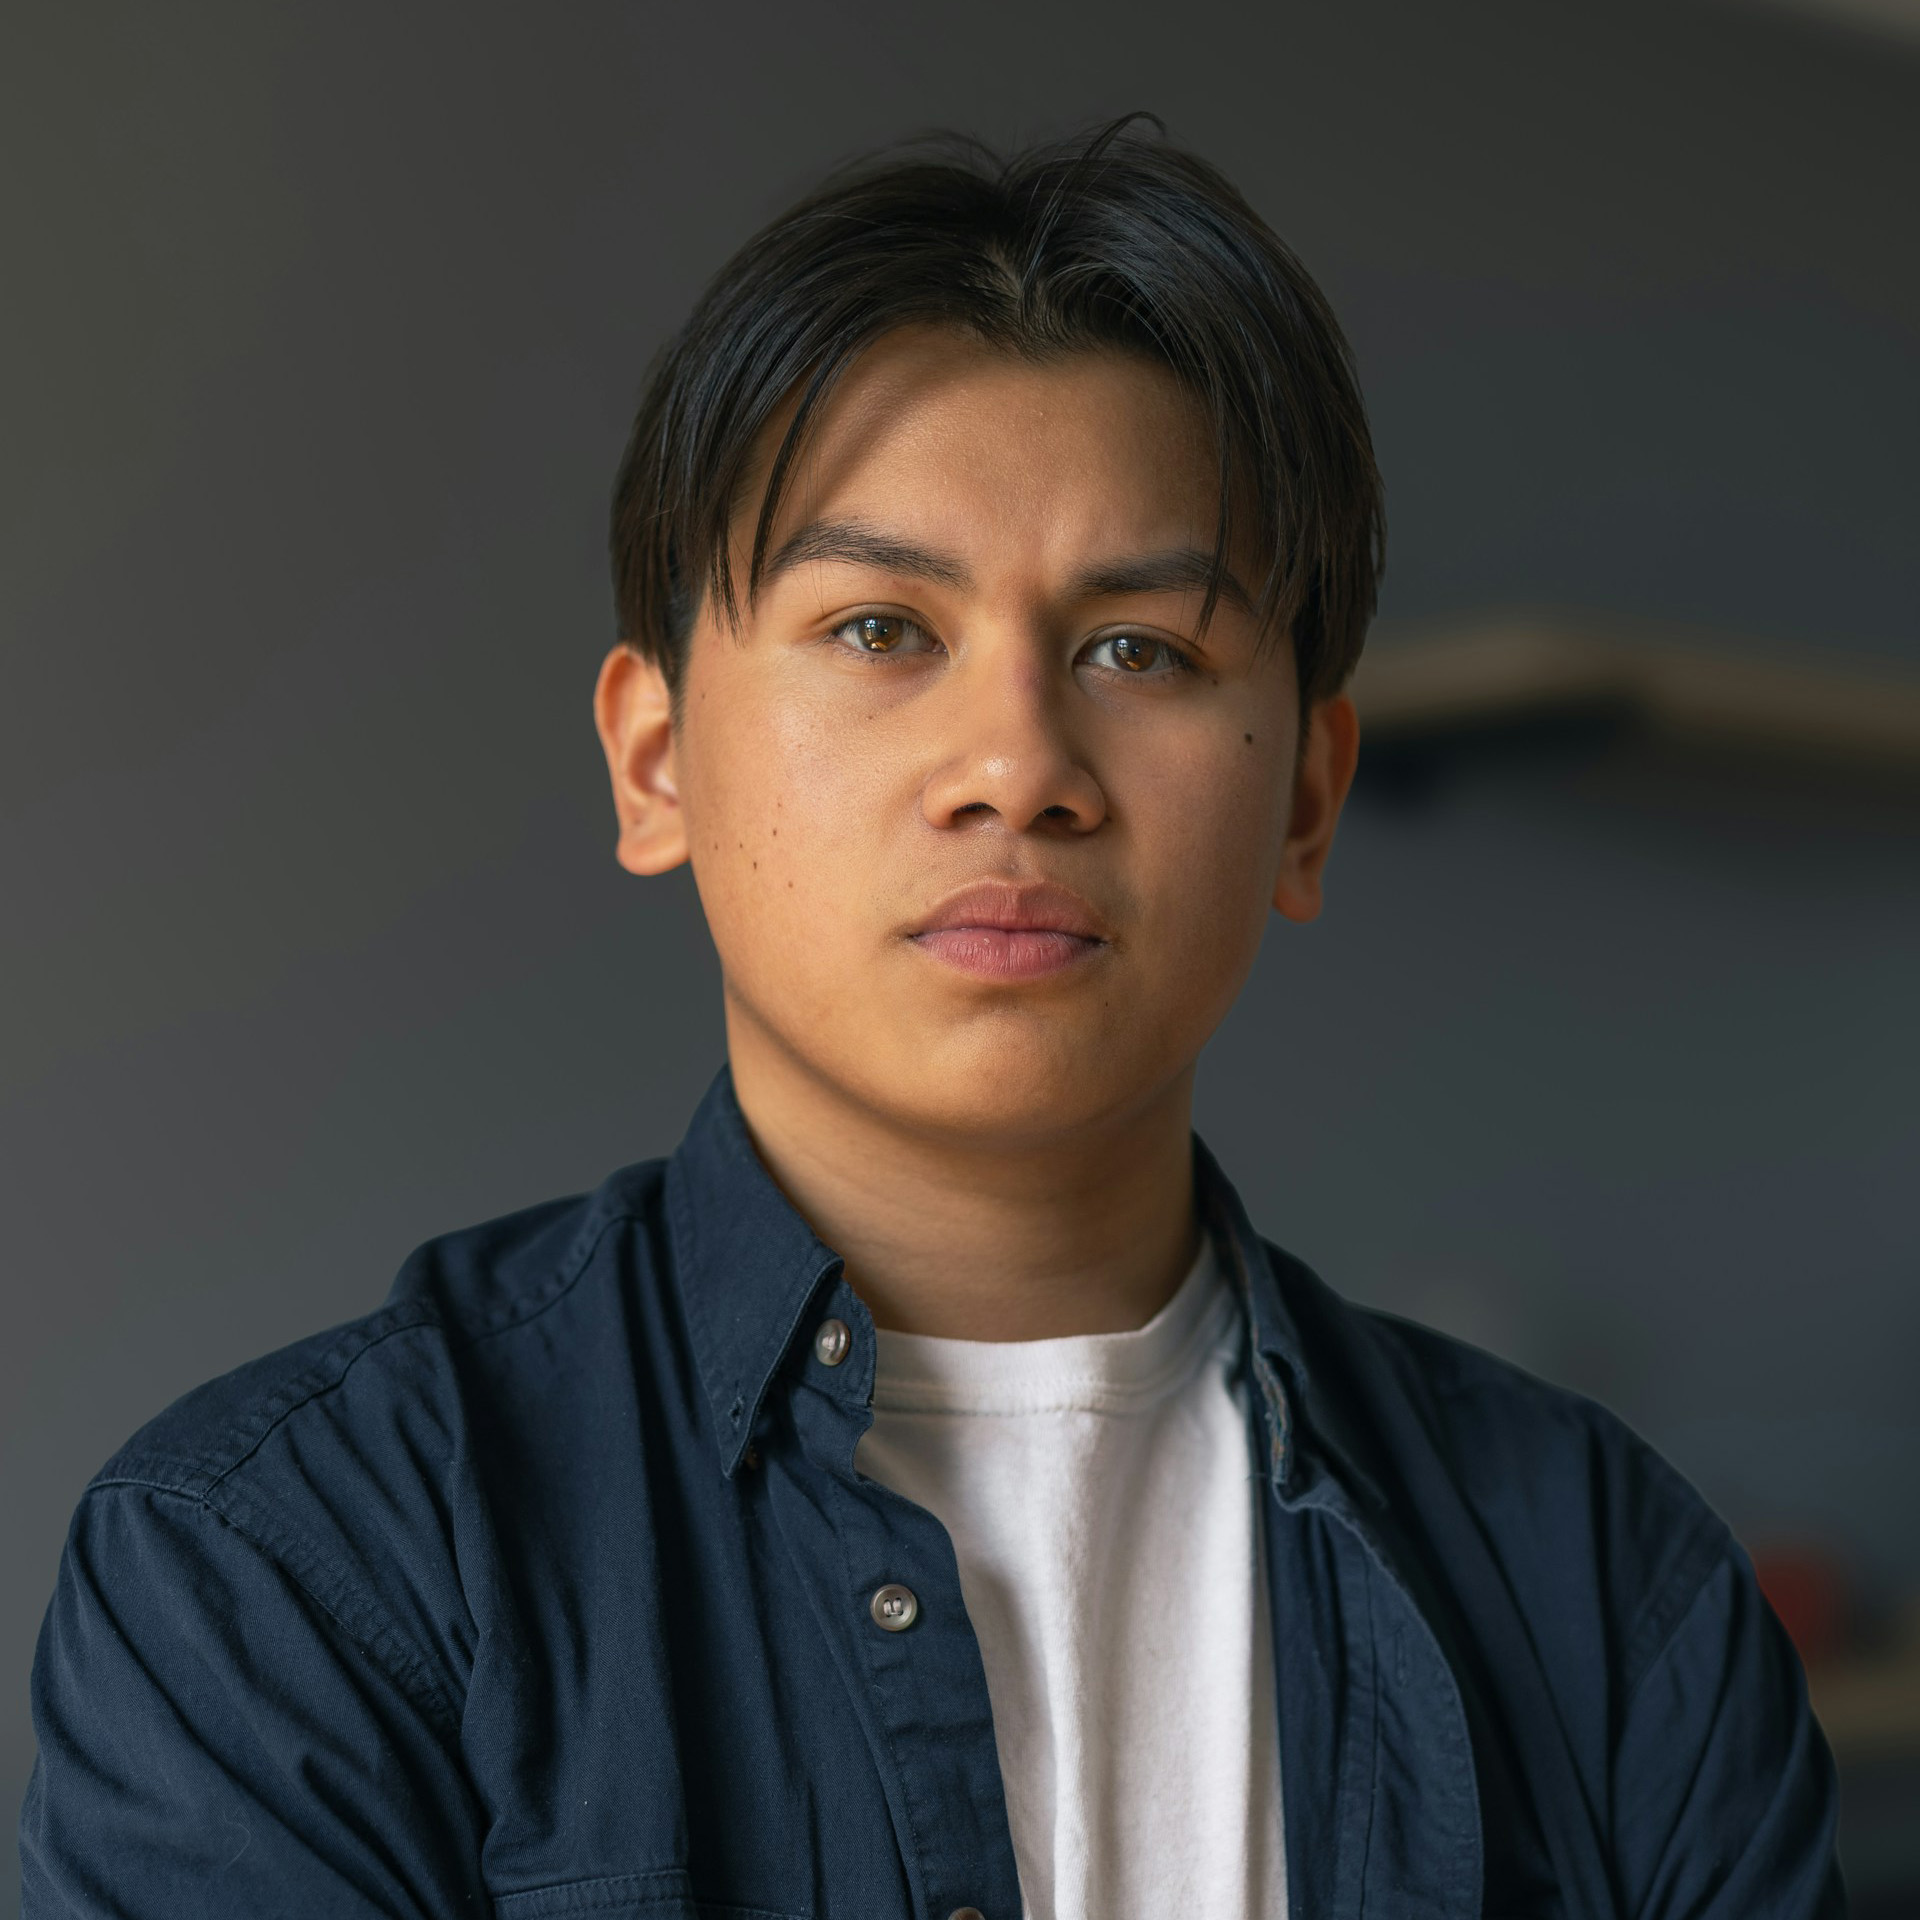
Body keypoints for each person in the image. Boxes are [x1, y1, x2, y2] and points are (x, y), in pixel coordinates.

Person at [21, 116, 1844, 1920]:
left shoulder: (1610, 1586)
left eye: (1141, 649)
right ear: (655, 763)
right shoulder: (288, 1564)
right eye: (882, 628)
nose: (1018, 770)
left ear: (1304, 799)